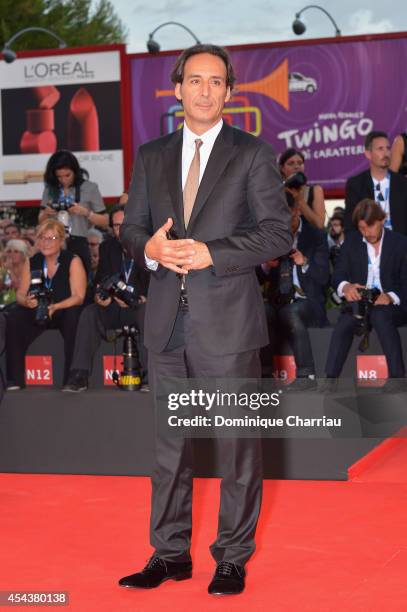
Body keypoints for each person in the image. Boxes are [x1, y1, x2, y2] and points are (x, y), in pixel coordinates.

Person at [118, 44, 291, 596]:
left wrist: (212, 250)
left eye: (217, 82)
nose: (205, 90)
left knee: (239, 444)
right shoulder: (151, 155)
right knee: (170, 447)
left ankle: (232, 556)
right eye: (195, 79)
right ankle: (169, 553)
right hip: (166, 322)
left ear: (230, 93)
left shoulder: (252, 153)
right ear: (178, 88)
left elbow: (278, 233)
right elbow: (130, 229)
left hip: (229, 326)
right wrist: (150, 249)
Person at [62, 204, 149, 393]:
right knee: (90, 313)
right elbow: (101, 279)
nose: (121, 230)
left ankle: (149, 376)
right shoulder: (107, 247)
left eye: (124, 224)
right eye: (116, 226)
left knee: (146, 312)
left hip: (141, 306)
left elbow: (161, 282)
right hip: (114, 306)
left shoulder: (150, 246)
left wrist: (144, 298)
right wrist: (101, 296)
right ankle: (79, 375)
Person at [325, 199, 407, 391]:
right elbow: (337, 275)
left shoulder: (401, 244)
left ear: (382, 220)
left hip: (393, 306)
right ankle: (330, 378)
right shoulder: (351, 243)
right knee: (345, 321)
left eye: (371, 226)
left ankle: (397, 378)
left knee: (380, 314)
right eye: (362, 228)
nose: (367, 233)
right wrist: (346, 287)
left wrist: (390, 296)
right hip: (360, 304)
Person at [5, 219, 86, 390]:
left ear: (61, 240)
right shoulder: (32, 260)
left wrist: (56, 307)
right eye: (41, 238)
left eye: (51, 238)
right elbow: (20, 293)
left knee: (74, 315)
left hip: (62, 309)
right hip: (38, 309)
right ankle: (14, 379)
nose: (45, 242)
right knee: (14, 315)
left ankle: (73, 378)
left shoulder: (72, 260)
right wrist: (25, 301)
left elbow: (78, 296)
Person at [259, 193, 329, 391]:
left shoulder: (316, 237)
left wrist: (305, 262)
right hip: (277, 301)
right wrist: (266, 266)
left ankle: (307, 374)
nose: (282, 223)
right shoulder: (271, 237)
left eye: (286, 217)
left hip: (307, 301)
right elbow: (256, 277)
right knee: (262, 312)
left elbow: (324, 278)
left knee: (291, 312)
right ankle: (265, 376)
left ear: (296, 211)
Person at [38, 150, 108, 276]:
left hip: (79, 241)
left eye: (67, 175)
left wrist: (86, 212)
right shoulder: (50, 189)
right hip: (54, 242)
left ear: (75, 171)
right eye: (59, 177)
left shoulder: (89, 187)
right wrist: (47, 213)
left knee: (82, 283)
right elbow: (40, 220)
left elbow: (105, 221)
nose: (63, 180)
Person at [344, 131, 407, 234]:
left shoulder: (402, 183)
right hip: (367, 245)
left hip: (399, 245)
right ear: (368, 154)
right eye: (380, 149)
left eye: (388, 148)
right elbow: (350, 223)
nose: (386, 153)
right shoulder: (356, 184)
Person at [279, 148, 326, 228]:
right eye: (291, 163)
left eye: (300, 163)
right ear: (282, 168)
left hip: (312, 240)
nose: (296, 166)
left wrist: (300, 200)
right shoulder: (276, 192)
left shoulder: (315, 190)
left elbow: (319, 224)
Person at [0, 239, 28, 306]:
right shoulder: (2, 271)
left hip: (23, 307)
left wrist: (10, 269)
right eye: (9, 251)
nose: (12, 254)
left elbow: (20, 288)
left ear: (23, 255)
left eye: (16, 251)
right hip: (3, 306)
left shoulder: (29, 270)